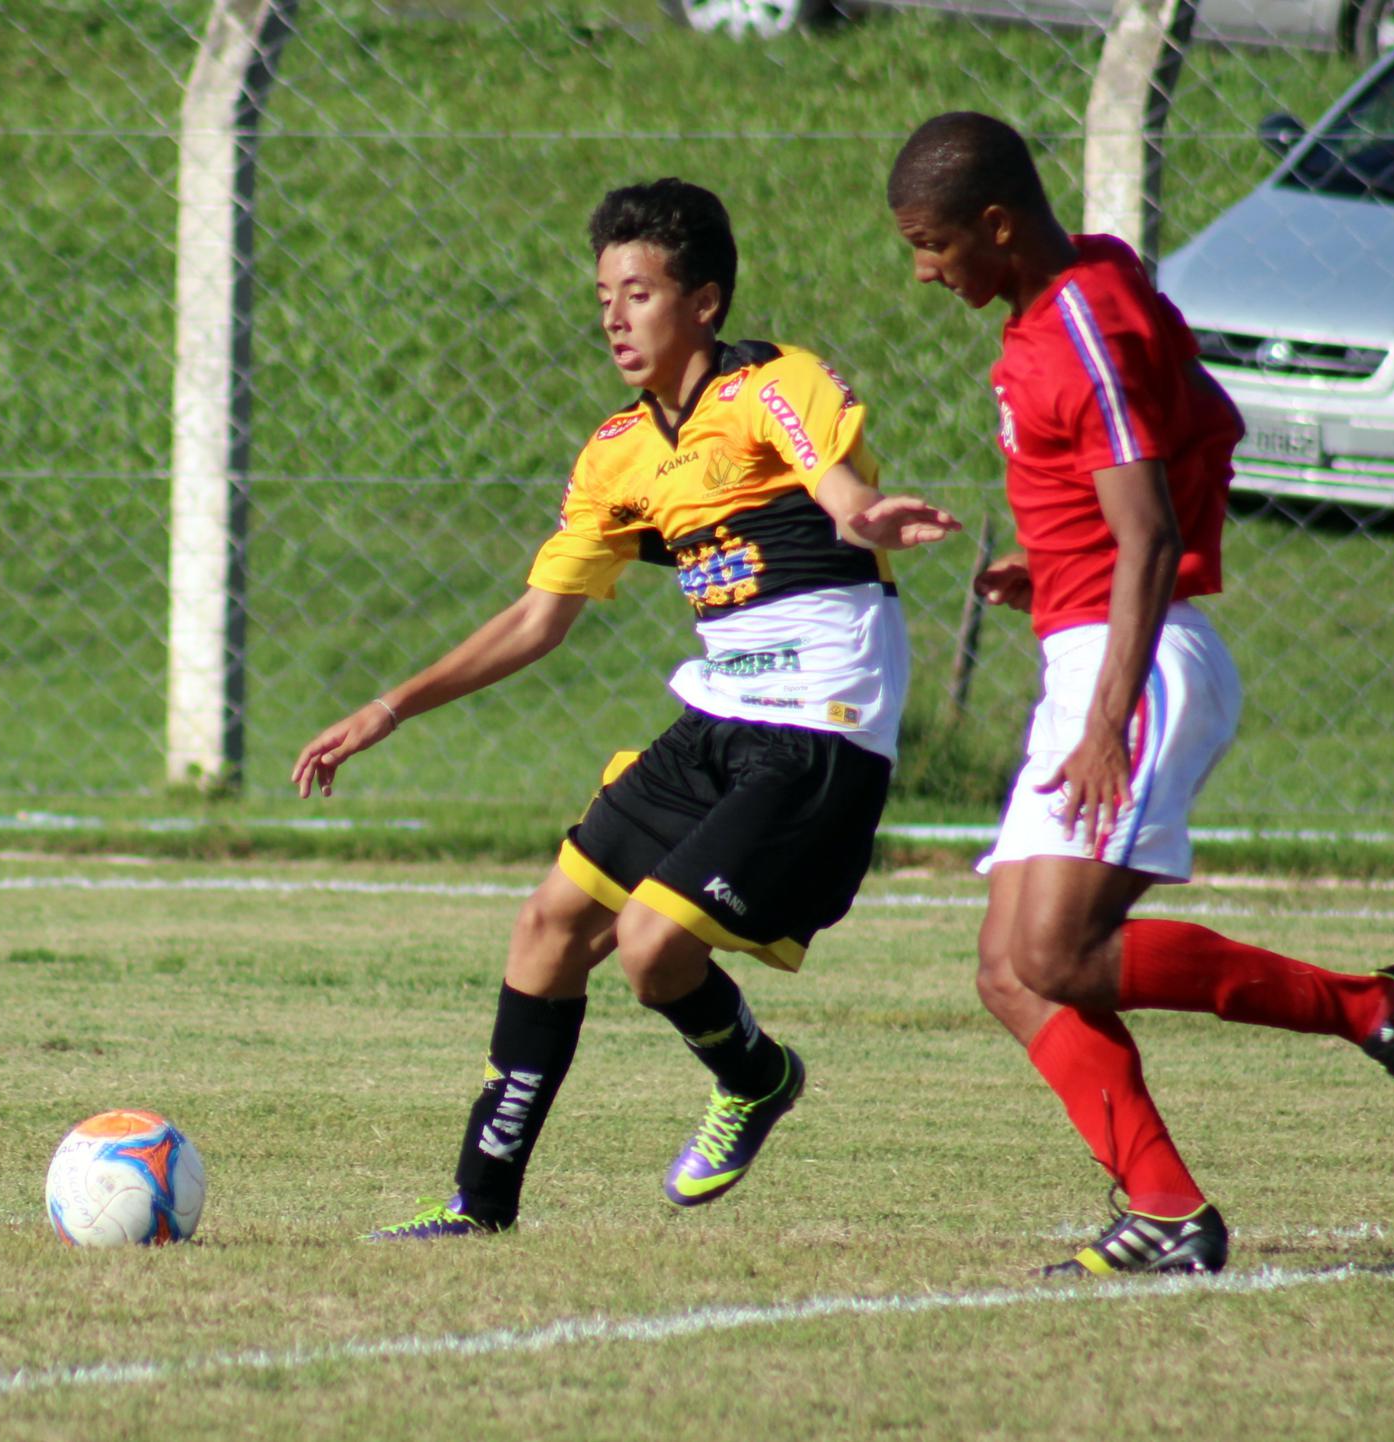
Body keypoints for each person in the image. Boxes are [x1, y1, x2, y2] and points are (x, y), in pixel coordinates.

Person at [295, 177, 959, 1239]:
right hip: (720, 717)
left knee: (651, 946)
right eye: (604, 293)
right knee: (549, 925)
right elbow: (535, 619)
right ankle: (478, 1202)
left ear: (702, 300)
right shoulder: (616, 452)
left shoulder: (767, 384)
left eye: (638, 290)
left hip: (821, 724)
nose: (613, 314)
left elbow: (834, 487)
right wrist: (391, 705)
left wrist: (863, 511)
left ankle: (751, 1072)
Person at [885, 112, 1394, 1278]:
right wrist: (1053, 573)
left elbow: (1148, 534)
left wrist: (1106, 717)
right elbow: (1196, 425)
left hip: (1138, 665)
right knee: (1008, 972)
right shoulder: (1087, 287)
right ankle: (1164, 1210)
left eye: (931, 242)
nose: (922, 269)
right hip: (1091, 644)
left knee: (1054, 952)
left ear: (995, 225)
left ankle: (1376, 1006)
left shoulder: (1078, 331)